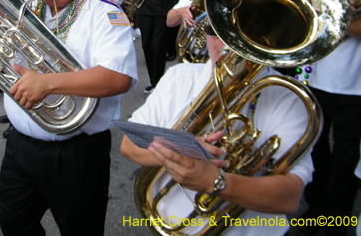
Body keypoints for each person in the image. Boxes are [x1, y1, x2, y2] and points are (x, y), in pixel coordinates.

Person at [0, 0, 137, 236]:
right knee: (14, 223)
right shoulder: (29, 10)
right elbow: (13, 67)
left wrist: (48, 83)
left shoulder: (105, 13)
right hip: (20, 147)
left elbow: (118, 78)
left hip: (75, 155)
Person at [121, 30, 314, 235]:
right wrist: (180, 148)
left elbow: (290, 196)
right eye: (216, 31)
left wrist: (216, 182)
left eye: (243, 33)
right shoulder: (179, 77)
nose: (226, 45)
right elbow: (128, 145)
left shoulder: (289, 98)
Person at [298, 0, 361, 235]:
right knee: (315, 151)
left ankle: (337, 222)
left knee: (346, 161)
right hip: (319, 81)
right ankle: (315, 212)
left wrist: (340, 18)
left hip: (358, 87)